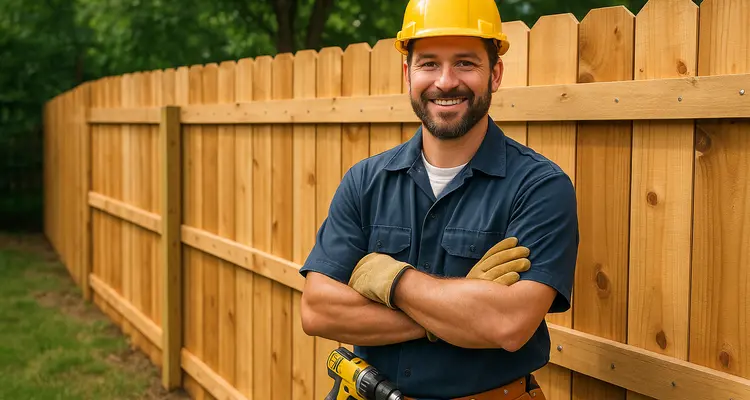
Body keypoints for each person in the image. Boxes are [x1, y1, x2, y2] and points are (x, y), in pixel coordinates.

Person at [299, 0, 579, 398]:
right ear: (407, 73)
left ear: (495, 74)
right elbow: (318, 310)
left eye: (465, 63)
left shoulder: (539, 188)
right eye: (428, 63)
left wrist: (394, 280)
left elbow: (508, 325)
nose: (445, 82)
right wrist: (453, 310)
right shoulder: (365, 181)